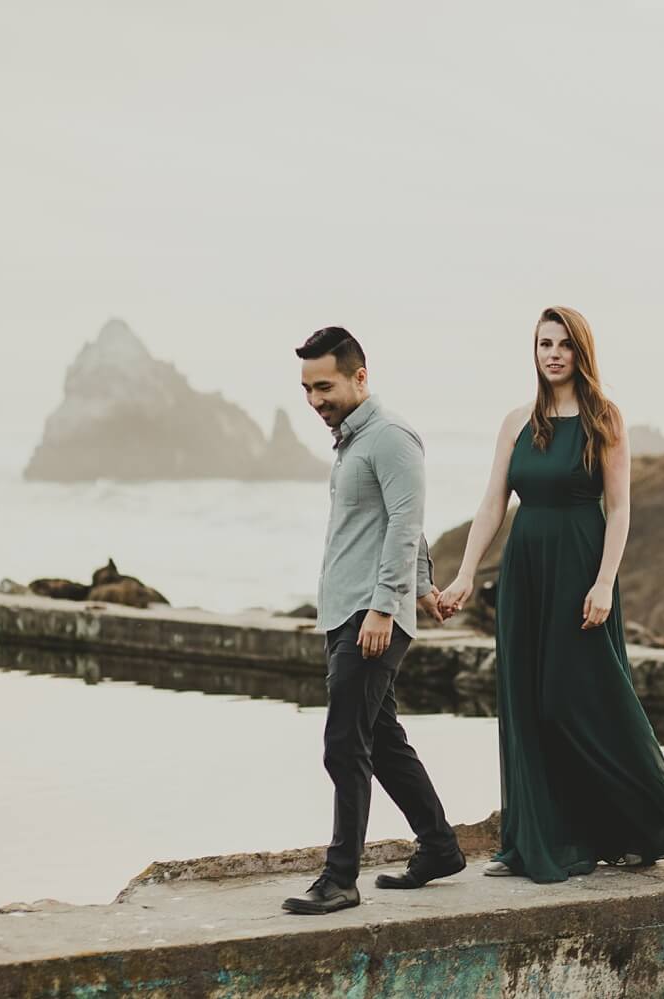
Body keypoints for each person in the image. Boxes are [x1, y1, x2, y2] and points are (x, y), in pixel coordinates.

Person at [438, 306, 664, 882]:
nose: (552, 353)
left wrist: (605, 581)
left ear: (581, 352)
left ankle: (642, 823)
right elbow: (492, 504)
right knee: (525, 702)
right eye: (543, 344)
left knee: (580, 698)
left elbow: (621, 506)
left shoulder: (605, 418)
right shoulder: (516, 421)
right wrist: (464, 574)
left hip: (581, 569)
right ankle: (532, 841)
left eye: (562, 344)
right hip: (525, 570)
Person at [282, 326, 465, 915]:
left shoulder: (391, 438)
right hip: (346, 611)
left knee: (343, 742)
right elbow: (388, 526)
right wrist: (424, 587)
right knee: (381, 740)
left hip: (370, 615)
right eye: (308, 389)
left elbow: (408, 522)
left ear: (361, 376)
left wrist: (388, 604)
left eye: (325, 386)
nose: (315, 401)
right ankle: (439, 847)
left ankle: (340, 879)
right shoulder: (350, 442)